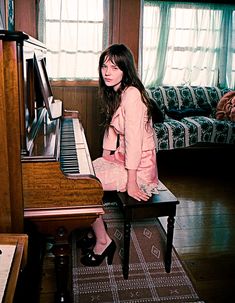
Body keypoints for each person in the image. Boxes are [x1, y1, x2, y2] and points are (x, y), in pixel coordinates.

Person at [80, 43, 159, 267]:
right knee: (85, 173)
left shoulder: (133, 95)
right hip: (122, 158)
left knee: (85, 186)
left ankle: (103, 241)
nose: (107, 72)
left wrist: (132, 183)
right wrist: (105, 156)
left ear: (126, 70)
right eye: (104, 66)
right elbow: (112, 128)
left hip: (139, 167)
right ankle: (95, 227)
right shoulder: (119, 91)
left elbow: (134, 140)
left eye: (114, 68)